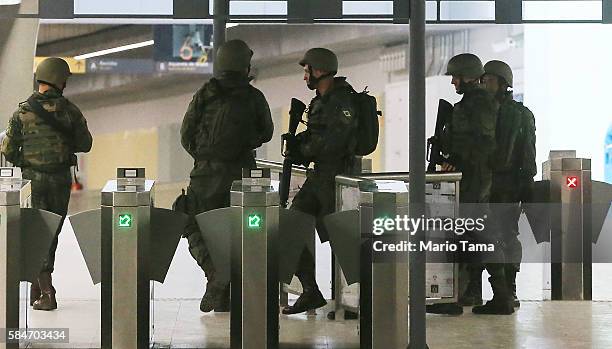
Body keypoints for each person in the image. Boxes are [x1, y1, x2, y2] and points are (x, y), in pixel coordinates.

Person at [180, 39, 274, 312]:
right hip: (242, 175)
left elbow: (186, 135)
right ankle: (234, 290)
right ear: (244, 65)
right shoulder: (255, 97)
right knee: (241, 233)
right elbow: (266, 132)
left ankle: (214, 275)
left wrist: (204, 157)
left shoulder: (204, 94)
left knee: (193, 222)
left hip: (205, 176)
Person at [1, 57, 93, 311]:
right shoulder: (70, 111)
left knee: (37, 233)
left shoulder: (22, 112)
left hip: (34, 181)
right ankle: (41, 287)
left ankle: (46, 291)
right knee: (51, 233)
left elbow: (8, 149)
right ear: (58, 80)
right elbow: (85, 144)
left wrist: (26, 161)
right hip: (61, 180)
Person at [426, 53, 514, 315]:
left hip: (473, 183)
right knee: (471, 237)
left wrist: (457, 160)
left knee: (477, 236)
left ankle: (497, 296)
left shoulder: (479, 104)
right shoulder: (470, 104)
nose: (453, 82)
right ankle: (470, 295)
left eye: (456, 77)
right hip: (468, 180)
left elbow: (484, 143)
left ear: (469, 76)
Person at [281, 48, 359, 315]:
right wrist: (297, 142)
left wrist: (304, 149)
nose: (305, 77)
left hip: (337, 178)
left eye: (307, 71)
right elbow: (316, 135)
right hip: (319, 177)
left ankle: (363, 297)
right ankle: (310, 291)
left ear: (321, 70)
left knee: (344, 240)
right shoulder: (319, 101)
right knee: (290, 226)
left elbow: (333, 143)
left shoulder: (342, 101)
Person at [460, 60, 536, 308]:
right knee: (476, 236)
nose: (484, 84)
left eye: (490, 80)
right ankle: (474, 288)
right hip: (481, 184)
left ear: (504, 84)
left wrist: (526, 187)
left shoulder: (520, 115)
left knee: (506, 237)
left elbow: (527, 154)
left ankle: (508, 290)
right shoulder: (478, 110)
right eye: (483, 79)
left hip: (506, 186)